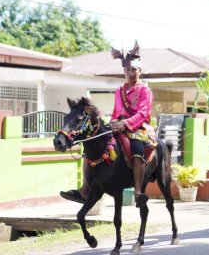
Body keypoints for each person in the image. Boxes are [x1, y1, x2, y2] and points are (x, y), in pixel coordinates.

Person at [60, 41, 157, 208]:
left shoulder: (145, 91)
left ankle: (138, 192)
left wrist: (125, 123)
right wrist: (113, 123)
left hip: (138, 127)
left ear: (139, 71)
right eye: (127, 70)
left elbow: (143, 113)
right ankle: (85, 190)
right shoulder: (120, 91)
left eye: (134, 70)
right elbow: (116, 111)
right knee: (91, 148)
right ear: (124, 72)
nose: (130, 73)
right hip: (118, 126)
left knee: (137, 150)